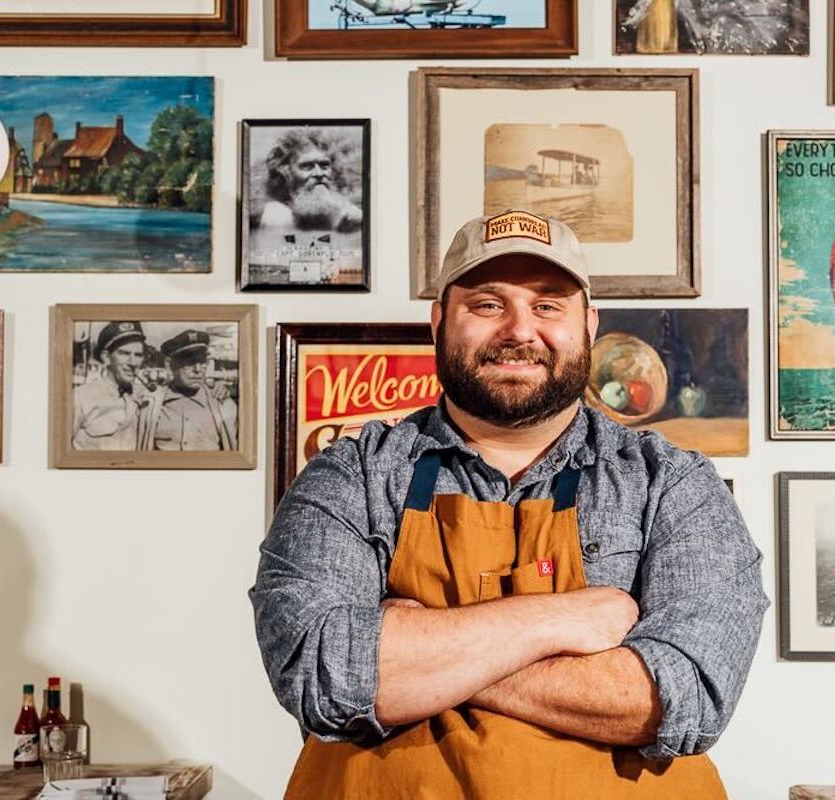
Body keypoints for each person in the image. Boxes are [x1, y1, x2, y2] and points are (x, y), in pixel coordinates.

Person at [251, 209, 768, 799]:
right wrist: (566, 620)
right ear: (440, 322)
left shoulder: (671, 484)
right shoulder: (353, 474)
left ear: (589, 325)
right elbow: (324, 676)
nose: (519, 330)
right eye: (487, 304)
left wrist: (416, 649)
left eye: (548, 305)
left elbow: (678, 699)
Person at [139, 329, 237, 452]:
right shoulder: (150, 404)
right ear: (170, 364)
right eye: (189, 362)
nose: (197, 369)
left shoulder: (222, 404)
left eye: (202, 362)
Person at [256, 128, 362, 234]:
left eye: (324, 165)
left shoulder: (343, 210)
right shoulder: (278, 214)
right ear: (286, 173)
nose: (319, 174)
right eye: (307, 166)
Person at [72, 321, 146, 451]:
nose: (133, 362)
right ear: (106, 358)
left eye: (138, 355)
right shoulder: (80, 397)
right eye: (124, 353)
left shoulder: (145, 397)